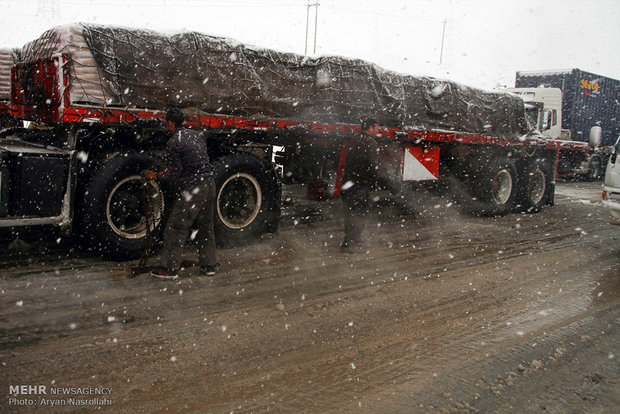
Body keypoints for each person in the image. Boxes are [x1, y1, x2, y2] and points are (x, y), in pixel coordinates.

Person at [147, 108, 218, 280]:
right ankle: (209, 265)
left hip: (194, 189)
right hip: (209, 184)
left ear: (170, 123)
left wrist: (155, 176)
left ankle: (170, 269)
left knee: (176, 227)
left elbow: (174, 174)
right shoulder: (197, 135)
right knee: (206, 227)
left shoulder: (174, 142)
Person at [340, 118, 400, 254]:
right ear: (371, 127)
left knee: (350, 212)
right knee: (358, 213)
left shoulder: (355, 138)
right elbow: (374, 167)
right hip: (359, 185)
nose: (378, 131)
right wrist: (389, 184)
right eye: (377, 128)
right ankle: (350, 245)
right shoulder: (370, 142)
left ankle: (353, 240)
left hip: (348, 182)